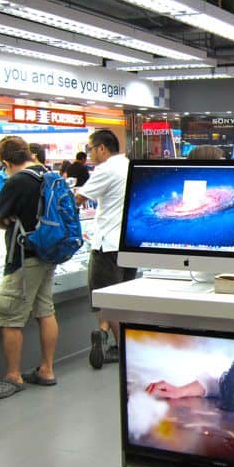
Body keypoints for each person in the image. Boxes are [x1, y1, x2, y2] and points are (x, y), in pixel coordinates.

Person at [0, 137, 59, 400]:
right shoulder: (47, 174)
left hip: (24, 257)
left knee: (10, 316)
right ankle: (47, 369)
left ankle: (13, 376)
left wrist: (8, 223)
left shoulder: (16, 181)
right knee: (45, 310)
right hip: (48, 253)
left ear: (5, 161)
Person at [76, 130, 137, 369]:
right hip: (128, 244)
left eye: (90, 148)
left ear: (102, 148)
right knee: (123, 297)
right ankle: (104, 334)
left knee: (106, 299)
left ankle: (124, 350)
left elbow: (79, 198)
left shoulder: (106, 169)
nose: (89, 154)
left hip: (107, 244)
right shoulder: (128, 165)